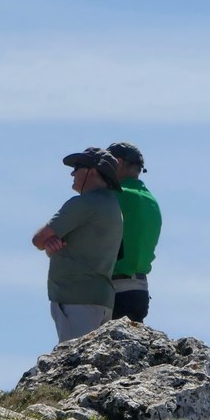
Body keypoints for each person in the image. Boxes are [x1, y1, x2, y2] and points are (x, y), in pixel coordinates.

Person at [32, 147, 123, 343]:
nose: (72, 173)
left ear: (93, 171)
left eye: (78, 167)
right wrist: (51, 247)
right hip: (102, 299)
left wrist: (47, 243)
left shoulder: (83, 204)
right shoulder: (113, 206)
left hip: (76, 299)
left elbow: (38, 239)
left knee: (75, 365)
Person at [106, 142, 162, 322]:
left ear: (118, 162)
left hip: (115, 289)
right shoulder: (151, 200)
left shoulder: (114, 195)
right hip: (139, 290)